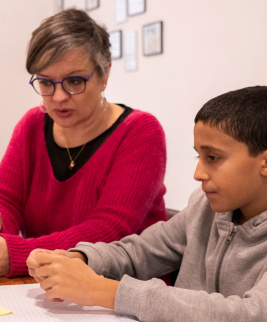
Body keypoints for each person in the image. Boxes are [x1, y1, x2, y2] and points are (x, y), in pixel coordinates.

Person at [27, 86, 267, 321]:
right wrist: (82, 259)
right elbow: (140, 252)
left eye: (213, 158)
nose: (198, 173)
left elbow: (249, 314)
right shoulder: (204, 207)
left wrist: (102, 291)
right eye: (199, 156)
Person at [0, 9, 168, 277]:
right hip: (50, 287)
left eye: (74, 81)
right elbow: (5, 198)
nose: (58, 97)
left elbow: (110, 229)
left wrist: (20, 255)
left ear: (104, 75)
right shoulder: (32, 125)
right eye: (45, 82)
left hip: (124, 290)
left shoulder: (140, 132)